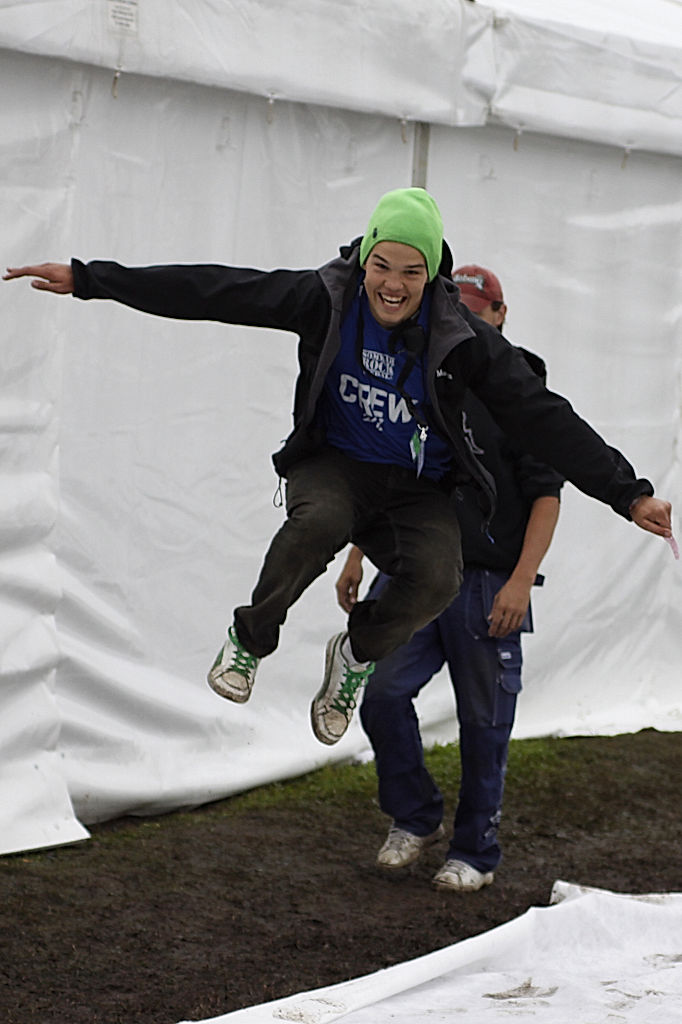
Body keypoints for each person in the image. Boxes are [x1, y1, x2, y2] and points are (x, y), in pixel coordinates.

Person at [3, 189, 672, 751]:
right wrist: (91, 280)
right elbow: (217, 289)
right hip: (336, 466)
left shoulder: (464, 339)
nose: (393, 284)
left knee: (440, 576)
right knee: (315, 523)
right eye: (383, 265)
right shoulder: (325, 298)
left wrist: (627, 491)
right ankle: (249, 638)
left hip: (417, 489)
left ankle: (353, 657)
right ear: (366, 257)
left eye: (412, 272)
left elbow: (542, 415)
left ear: (433, 276)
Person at [336, 264, 561, 892]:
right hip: (414, 569)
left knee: (483, 720)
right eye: (454, 309)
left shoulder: (522, 394)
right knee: (380, 693)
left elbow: (547, 496)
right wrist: (360, 553)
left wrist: (521, 582)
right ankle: (414, 816)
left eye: (475, 309)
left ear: (499, 315)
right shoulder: (429, 378)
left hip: (489, 580)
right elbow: (390, 473)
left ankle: (475, 851)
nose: (463, 319)